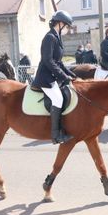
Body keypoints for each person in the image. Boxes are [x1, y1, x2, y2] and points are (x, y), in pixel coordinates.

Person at [32, 10, 78, 144]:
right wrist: (63, 76)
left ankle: (62, 129)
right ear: (60, 23)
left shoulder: (57, 37)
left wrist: (71, 74)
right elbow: (48, 60)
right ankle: (55, 135)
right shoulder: (50, 37)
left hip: (52, 76)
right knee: (57, 98)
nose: (68, 29)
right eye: (67, 26)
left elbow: (58, 62)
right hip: (45, 77)